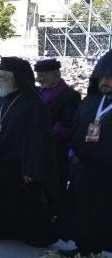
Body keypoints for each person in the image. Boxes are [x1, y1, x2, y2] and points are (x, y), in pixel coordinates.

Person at [0, 57, 57, 247]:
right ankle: (2, 231)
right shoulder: (3, 99)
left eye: (4, 77)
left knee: (25, 201)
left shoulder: (33, 104)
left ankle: (36, 235)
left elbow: (38, 140)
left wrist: (32, 168)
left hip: (20, 163)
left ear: (18, 78)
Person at [57, 50, 112, 257]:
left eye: (110, 78)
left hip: (106, 170)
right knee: (84, 210)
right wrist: (76, 152)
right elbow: (76, 128)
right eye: (103, 78)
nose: (105, 82)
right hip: (85, 168)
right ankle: (86, 247)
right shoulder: (91, 103)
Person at [34, 58, 81, 213]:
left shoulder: (70, 95)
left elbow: (66, 124)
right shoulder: (38, 92)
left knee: (53, 189)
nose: (39, 79)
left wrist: (43, 138)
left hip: (56, 152)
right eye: (38, 75)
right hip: (38, 151)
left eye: (42, 75)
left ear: (55, 75)